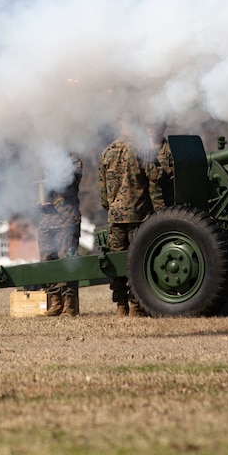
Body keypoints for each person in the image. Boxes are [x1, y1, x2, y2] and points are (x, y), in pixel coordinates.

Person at [99, 121, 153, 317]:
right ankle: (136, 306)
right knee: (138, 261)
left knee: (117, 262)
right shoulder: (141, 149)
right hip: (139, 216)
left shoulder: (107, 152)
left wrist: (113, 209)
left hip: (115, 217)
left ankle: (121, 305)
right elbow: (153, 181)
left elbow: (103, 192)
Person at [38, 154, 83, 317]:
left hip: (67, 219)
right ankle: (55, 301)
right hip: (47, 221)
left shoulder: (73, 161)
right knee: (48, 261)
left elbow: (70, 181)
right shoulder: (44, 161)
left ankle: (70, 304)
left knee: (67, 261)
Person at [145, 123, 174, 211]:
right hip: (143, 211)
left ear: (164, 126)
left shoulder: (172, 151)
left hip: (167, 209)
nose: (151, 127)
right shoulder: (136, 151)